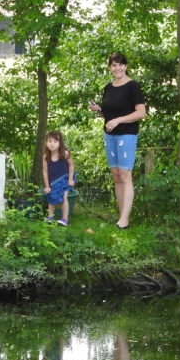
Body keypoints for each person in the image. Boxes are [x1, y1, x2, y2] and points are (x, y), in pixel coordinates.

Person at [88, 52, 146, 229]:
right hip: (110, 136)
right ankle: (122, 217)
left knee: (125, 176)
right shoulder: (109, 87)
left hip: (127, 135)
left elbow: (141, 113)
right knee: (116, 176)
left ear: (126, 66)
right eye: (114, 65)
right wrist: (98, 111)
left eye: (120, 64)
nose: (117, 68)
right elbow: (109, 115)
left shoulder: (132, 86)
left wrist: (118, 120)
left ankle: (125, 219)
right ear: (109, 68)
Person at [41, 130, 75, 225]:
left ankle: (65, 219)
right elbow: (45, 172)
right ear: (46, 142)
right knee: (52, 197)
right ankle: (50, 217)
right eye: (50, 141)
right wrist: (47, 186)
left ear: (60, 143)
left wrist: (71, 179)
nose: (52, 144)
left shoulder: (65, 154)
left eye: (55, 142)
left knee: (64, 196)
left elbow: (71, 166)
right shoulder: (45, 157)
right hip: (53, 182)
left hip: (65, 179)